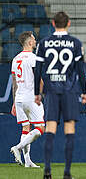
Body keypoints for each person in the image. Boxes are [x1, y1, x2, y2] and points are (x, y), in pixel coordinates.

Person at [34, 11, 86, 179]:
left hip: (51, 91)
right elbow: (81, 71)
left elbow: (38, 71)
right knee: (69, 129)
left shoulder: (43, 43)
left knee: (50, 129)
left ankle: (47, 171)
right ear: (69, 23)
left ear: (52, 23)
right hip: (69, 91)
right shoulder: (75, 43)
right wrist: (85, 92)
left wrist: (37, 92)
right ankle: (67, 172)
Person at [10, 31, 45, 168]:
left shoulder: (15, 59)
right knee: (41, 127)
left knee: (26, 127)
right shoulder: (33, 58)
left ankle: (27, 161)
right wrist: (40, 94)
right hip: (31, 97)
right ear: (30, 42)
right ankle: (18, 147)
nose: (35, 41)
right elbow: (39, 79)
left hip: (19, 98)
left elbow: (14, 83)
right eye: (34, 39)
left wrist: (14, 101)